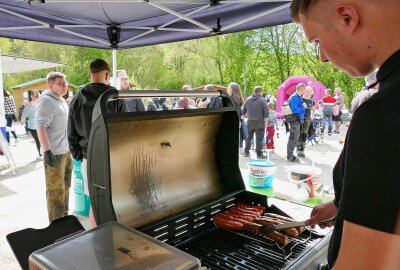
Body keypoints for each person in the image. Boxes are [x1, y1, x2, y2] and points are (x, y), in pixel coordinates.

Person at [291, 0, 400, 269]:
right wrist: (345, 205)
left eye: (316, 41)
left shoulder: (385, 112)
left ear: (347, 18)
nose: (323, 57)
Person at [68, 59, 125, 228]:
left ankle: (96, 235)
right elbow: (123, 129)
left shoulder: (77, 100)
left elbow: (70, 132)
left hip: (88, 158)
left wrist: (79, 155)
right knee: (115, 198)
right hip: (111, 156)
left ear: (90, 75)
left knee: (95, 200)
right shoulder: (114, 97)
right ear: (107, 74)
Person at [35, 72, 71, 223]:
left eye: (65, 82)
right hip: (55, 153)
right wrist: (47, 150)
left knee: (66, 186)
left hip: (65, 151)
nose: (65, 86)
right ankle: (56, 224)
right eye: (60, 83)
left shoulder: (60, 100)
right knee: (55, 190)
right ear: (51, 85)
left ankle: (64, 216)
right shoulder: (46, 101)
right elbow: (40, 126)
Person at [242, 86, 269, 159]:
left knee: (249, 137)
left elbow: (243, 111)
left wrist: (245, 117)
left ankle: (246, 151)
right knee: (259, 138)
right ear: (260, 92)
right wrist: (266, 121)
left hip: (250, 122)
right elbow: (266, 112)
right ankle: (259, 154)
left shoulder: (248, 99)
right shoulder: (262, 100)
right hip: (260, 122)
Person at [286, 83, 306, 162]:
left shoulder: (297, 97)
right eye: (304, 90)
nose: (305, 92)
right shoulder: (295, 97)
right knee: (293, 138)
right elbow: (294, 110)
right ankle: (290, 156)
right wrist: (303, 107)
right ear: (301, 89)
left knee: (294, 138)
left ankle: (290, 155)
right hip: (294, 121)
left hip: (296, 121)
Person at [21, 91, 42, 159]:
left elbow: (24, 115)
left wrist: (22, 121)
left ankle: (40, 155)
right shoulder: (42, 102)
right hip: (42, 123)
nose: (30, 96)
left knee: (37, 140)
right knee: (43, 139)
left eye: (31, 95)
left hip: (32, 124)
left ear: (32, 96)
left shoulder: (29, 104)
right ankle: (45, 153)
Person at [297, 85, 315, 157]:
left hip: (307, 119)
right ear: (304, 91)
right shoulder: (300, 99)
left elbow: (313, 110)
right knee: (299, 134)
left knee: (304, 134)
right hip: (299, 118)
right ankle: (297, 149)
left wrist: (312, 116)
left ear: (311, 92)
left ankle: (302, 150)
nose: (308, 92)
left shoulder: (312, 101)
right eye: (307, 91)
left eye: (309, 91)